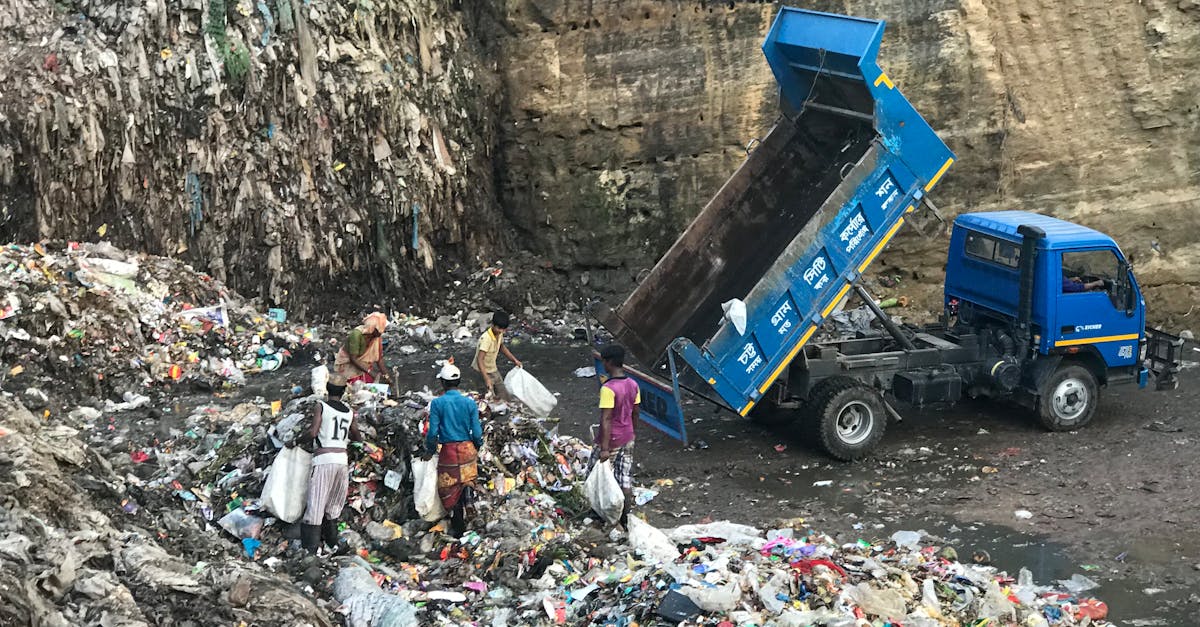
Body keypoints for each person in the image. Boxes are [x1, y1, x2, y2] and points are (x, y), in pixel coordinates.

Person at [295, 383, 359, 553]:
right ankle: (332, 543)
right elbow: (357, 435)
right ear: (343, 392)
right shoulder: (349, 412)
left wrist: (295, 441)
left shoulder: (321, 406)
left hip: (324, 459)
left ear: (327, 389)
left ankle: (311, 549)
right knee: (334, 502)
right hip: (342, 460)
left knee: (316, 502)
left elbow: (313, 433)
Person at [424, 362, 483, 536]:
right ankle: (468, 496)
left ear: (443, 383)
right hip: (467, 449)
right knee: (467, 479)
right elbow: (477, 432)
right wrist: (477, 445)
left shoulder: (437, 403)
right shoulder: (470, 403)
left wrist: (430, 450)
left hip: (449, 452)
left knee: (450, 489)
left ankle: (458, 528)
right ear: (459, 382)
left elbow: (432, 432)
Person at [591, 344, 640, 528]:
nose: (603, 365)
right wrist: (632, 432)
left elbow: (606, 419)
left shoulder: (608, 388)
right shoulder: (633, 384)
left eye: (604, 361)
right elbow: (636, 412)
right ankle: (625, 518)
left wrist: (604, 448)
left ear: (609, 362)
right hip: (628, 436)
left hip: (611, 439)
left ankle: (603, 515)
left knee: (598, 476)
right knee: (624, 478)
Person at [331, 312, 391, 388]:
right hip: (349, 364)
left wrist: (386, 376)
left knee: (370, 386)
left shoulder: (376, 337)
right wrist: (370, 372)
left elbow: (379, 358)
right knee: (353, 387)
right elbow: (353, 359)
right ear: (373, 328)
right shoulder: (356, 335)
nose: (382, 332)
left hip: (363, 365)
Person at [472, 311, 522, 401]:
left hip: (493, 369)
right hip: (482, 371)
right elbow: (480, 359)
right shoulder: (486, 339)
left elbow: (502, 347)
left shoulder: (499, 334)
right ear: (493, 325)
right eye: (499, 328)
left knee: (503, 394)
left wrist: (514, 360)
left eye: (503, 329)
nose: (501, 331)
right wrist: (486, 378)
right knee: (488, 398)